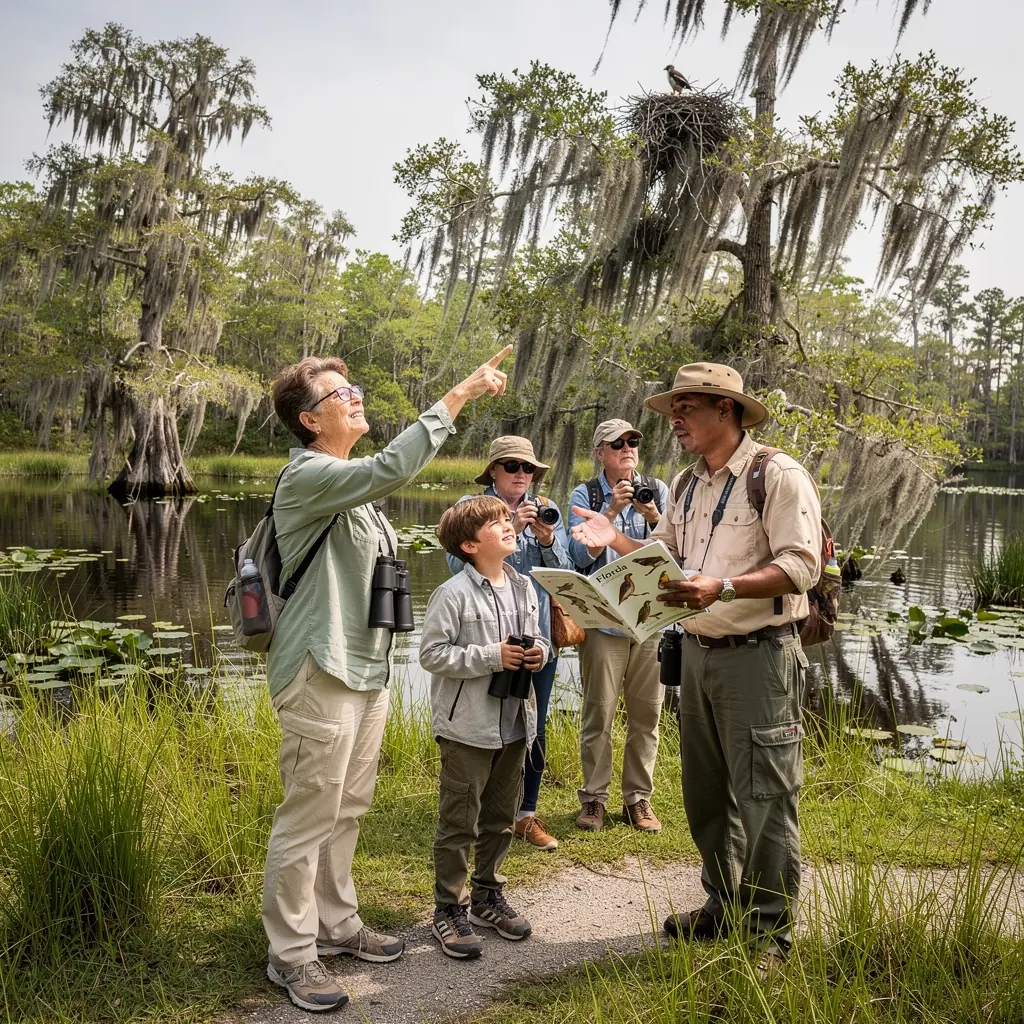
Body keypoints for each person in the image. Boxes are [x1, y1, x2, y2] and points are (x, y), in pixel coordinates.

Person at [261, 346, 511, 1013]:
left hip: (365, 668)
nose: (356, 397)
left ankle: (336, 925)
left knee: (346, 809)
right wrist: (457, 394)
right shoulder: (309, 475)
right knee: (307, 815)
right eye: (341, 394)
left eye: (356, 387)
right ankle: (289, 955)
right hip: (318, 667)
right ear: (310, 421)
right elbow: (394, 466)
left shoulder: (349, 486)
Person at [570, 363, 821, 963]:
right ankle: (722, 903)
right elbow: (673, 560)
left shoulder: (777, 475)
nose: (675, 418)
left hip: (758, 658)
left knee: (764, 795)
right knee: (706, 795)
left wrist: (725, 588)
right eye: (673, 407)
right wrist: (616, 540)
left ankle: (768, 932)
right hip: (697, 655)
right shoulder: (685, 483)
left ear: (726, 410)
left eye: (687, 406)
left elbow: (802, 566)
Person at [420, 495, 548, 959]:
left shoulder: (526, 588)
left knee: (500, 817)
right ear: (471, 545)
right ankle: (447, 909)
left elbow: (544, 641)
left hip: (516, 722)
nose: (510, 525)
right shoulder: (451, 594)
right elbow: (431, 655)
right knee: (459, 821)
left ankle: (487, 895)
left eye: (506, 519)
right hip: (466, 727)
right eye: (498, 523)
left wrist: (539, 654)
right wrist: (492, 655)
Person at [446, 436, 573, 853]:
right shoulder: (473, 508)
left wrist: (548, 538)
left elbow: (565, 575)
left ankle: (525, 815)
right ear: (494, 472)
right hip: (484, 638)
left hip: (534, 635)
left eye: (529, 468)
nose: (523, 474)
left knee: (533, 725)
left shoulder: (546, 507)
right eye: (513, 466)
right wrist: (509, 528)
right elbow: (453, 563)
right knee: (480, 726)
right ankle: (480, 810)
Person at [566, 419, 669, 833]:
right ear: (599, 452)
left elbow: (674, 549)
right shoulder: (586, 494)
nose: (628, 448)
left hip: (650, 619)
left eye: (633, 442)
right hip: (604, 621)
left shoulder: (657, 490)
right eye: (617, 443)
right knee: (599, 714)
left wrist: (651, 513)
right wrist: (609, 512)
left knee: (648, 715)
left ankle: (638, 800)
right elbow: (577, 555)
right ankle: (593, 800)